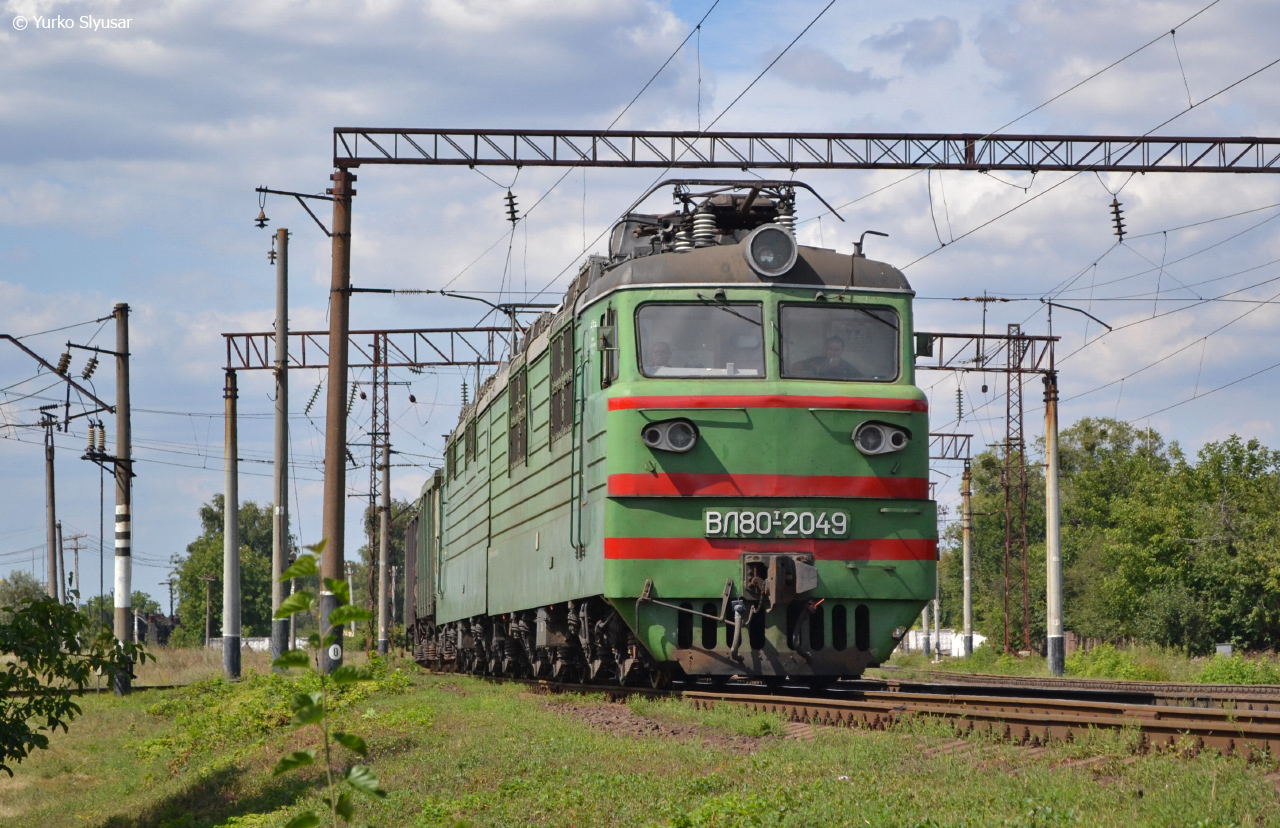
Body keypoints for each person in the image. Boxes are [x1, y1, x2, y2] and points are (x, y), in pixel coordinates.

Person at [794, 335, 860, 379]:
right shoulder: (817, 361)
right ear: (825, 349)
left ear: (842, 351)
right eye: (829, 349)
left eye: (836, 349)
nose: (832, 352)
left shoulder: (847, 367)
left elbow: (863, 379)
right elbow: (796, 366)